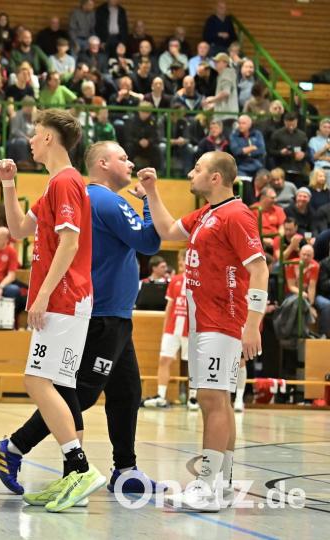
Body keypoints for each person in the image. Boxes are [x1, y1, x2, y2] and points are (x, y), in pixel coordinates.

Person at [0, 139, 164, 503]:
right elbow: (150, 242)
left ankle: (125, 468)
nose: (130, 163)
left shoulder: (75, 191)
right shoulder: (104, 199)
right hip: (98, 314)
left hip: (113, 314)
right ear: (101, 163)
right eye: (122, 157)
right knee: (77, 391)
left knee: (126, 391)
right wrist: (149, 199)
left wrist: (8, 184)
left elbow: (22, 227)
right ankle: (18, 448)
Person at [0, 109, 106, 511]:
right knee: (56, 385)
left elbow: (70, 245)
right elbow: (21, 228)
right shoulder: (54, 184)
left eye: (37, 134)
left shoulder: (67, 182)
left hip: (63, 299)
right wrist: (9, 185)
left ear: (52, 140)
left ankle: (79, 467)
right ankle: (72, 474)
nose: (31, 140)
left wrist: (41, 296)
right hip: (67, 300)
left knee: (37, 382)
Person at [141, 151, 268, 512]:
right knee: (219, 401)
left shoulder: (236, 214)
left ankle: (207, 485)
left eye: (198, 168)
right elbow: (167, 231)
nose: (191, 172)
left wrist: (252, 324)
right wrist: (152, 191)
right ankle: (222, 483)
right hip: (205, 321)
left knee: (211, 401)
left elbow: (259, 270)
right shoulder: (206, 214)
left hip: (222, 321)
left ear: (216, 178)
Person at [142, 267, 198, 410]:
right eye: (180, 261)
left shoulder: (200, 280)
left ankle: (193, 397)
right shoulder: (175, 280)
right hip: (172, 329)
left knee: (192, 363)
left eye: (185, 260)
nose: (182, 264)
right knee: (164, 359)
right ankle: (161, 396)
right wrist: (165, 329)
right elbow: (170, 305)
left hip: (191, 329)